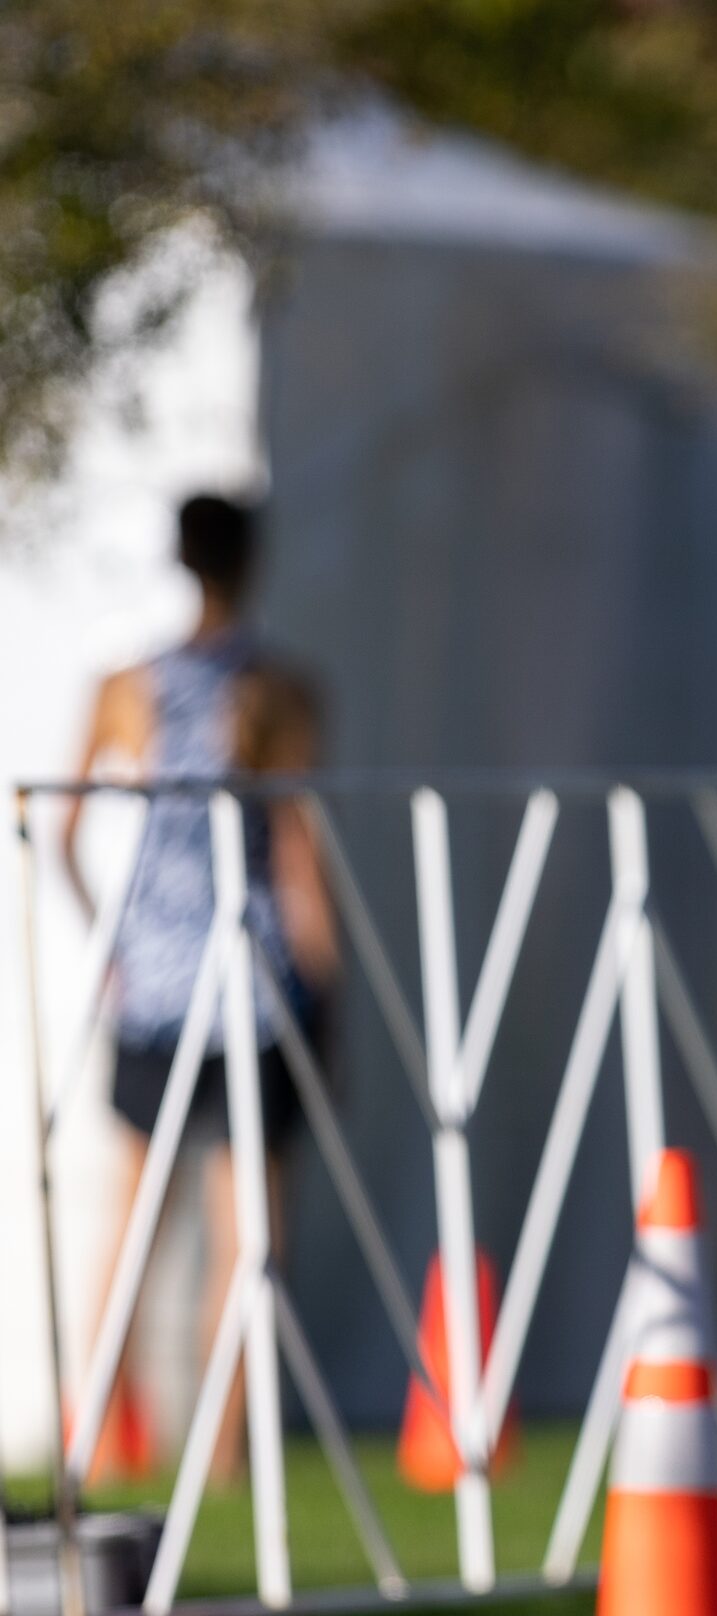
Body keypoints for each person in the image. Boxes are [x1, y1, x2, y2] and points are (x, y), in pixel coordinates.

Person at [62, 493, 337, 1484]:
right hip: (251, 985)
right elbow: (298, 860)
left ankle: (91, 1443)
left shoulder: (122, 687)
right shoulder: (278, 691)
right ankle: (217, 1460)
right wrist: (330, 989)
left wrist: (119, 947)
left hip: (155, 987)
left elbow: (61, 840)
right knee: (244, 1237)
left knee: (127, 1228)